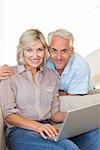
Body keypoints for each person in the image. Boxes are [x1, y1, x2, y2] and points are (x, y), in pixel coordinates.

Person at [0, 29, 79, 150]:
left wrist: (74, 116)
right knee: (66, 147)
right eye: (29, 50)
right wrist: (37, 127)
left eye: (39, 50)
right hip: (20, 132)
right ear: (21, 51)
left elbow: (54, 114)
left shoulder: (51, 76)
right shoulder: (9, 74)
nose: (35, 56)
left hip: (47, 128)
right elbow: (9, 116)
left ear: (45, 51)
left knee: (95, 135)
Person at [45, 29, 95, 96]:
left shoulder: (80, 67)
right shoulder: (44, 64)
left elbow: (73, 99)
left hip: (85, 97)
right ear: (49, 50)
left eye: (64, 51)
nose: (59, 57)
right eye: (54, 50)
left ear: (71, 51)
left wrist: (54, 92)